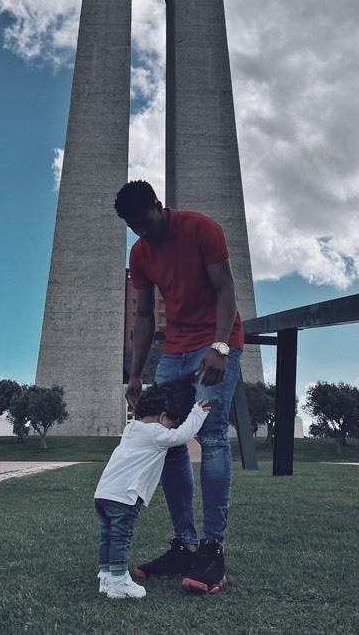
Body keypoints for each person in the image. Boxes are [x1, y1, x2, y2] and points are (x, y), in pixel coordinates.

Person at [115, 179, 243, 595]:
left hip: (216, 341)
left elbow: (226, 289)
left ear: (158, 205)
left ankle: (213, 548)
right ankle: (185, 543)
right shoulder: (140, 252)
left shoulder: (201, 228)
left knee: (212, 436)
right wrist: (135, 375)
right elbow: (144, 318)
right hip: (176, 349)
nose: (142, 232)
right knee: (165, 438)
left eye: (144, 222)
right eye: (133, 228)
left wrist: (220, 348)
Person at [94, 385, 210, 599]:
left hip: (103, 493)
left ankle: (106, 576)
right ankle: (119, 582)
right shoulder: (156, 432)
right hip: (125, 497)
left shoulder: (131, 429)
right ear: (162, 417)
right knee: (121, 537)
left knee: (107, 537)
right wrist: (198, 412)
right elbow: (181, 436)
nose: (169, 430)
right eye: (169, 425)